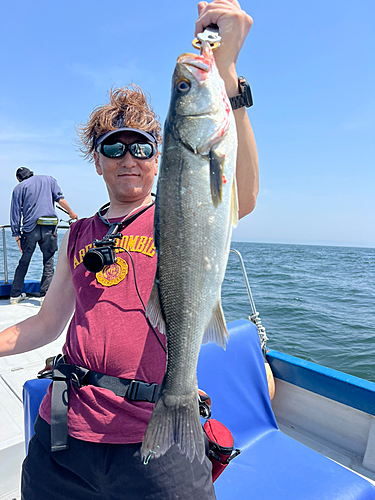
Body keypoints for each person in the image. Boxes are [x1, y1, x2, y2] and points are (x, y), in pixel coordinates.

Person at [0, 0, 259, 498]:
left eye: (141, 146)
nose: (129, 159)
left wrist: (227, 76)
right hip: (64, 432)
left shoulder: (180, 214)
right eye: (113, 147)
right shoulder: (79, 234)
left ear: (159, 156)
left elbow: (241, 196)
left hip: (156, 433)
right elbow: (48, 322)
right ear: (96, 161)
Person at [9, 167, 78, 304]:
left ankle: (15, 295)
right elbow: (60, 199)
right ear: (31, 174)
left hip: (30, 230)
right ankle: (44, 295)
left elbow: (15, 213)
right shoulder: (49, 180)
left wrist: (16, 235)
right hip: (49, 227)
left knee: (24, 261)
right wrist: (71, 213)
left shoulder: (19, 188)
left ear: (19, 178)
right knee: (48, 261)